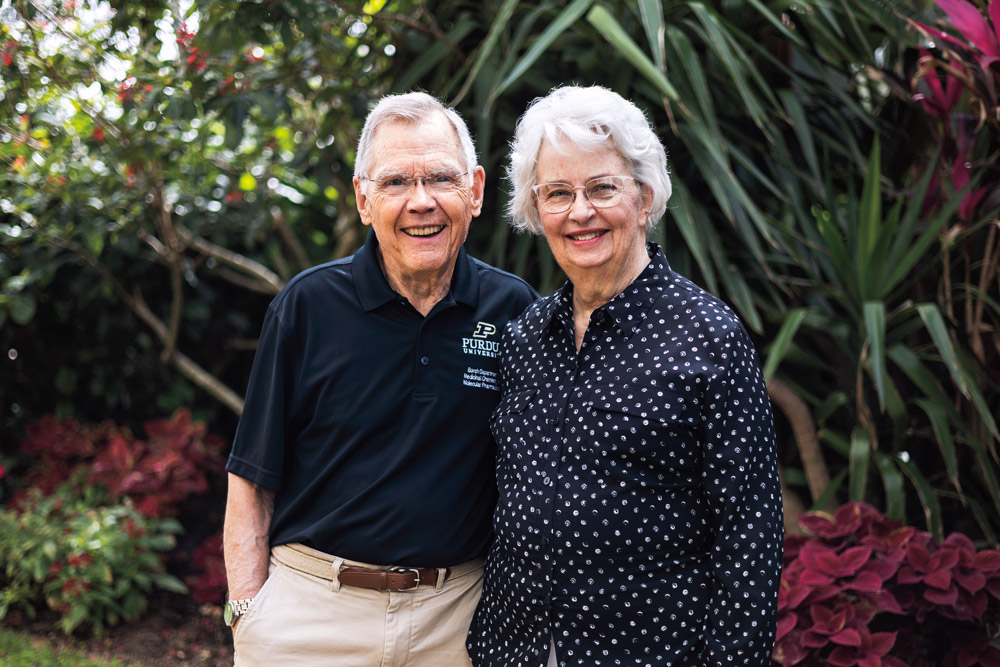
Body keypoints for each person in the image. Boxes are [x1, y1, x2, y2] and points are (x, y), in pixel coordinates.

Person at [467, 86, 783, 666]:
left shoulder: (708, 337)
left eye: (602, 187)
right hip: (516, 650)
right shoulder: (525, 337)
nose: (580, 212)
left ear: (644, 196)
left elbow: (749, 535)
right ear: (537, 211)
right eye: (558, 193)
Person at [223, 91, 538, 666]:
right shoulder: (307, 307)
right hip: (311, 617)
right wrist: (248, 614)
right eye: (395, 183)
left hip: (459, 621)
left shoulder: (514, 309)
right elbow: (251, 477)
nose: (421, 202)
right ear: (364, 200)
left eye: (441, 179)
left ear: (475, 191)